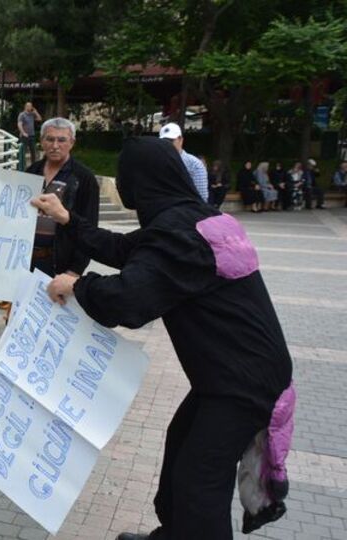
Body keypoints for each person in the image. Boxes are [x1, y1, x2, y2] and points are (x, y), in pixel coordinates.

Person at [33, 137, 293, 540]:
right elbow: (125, 249)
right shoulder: (195, 219)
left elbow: (129, 301)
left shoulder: (179, 234)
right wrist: (70, 219)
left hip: (241, 385)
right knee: (181, 448)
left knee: (198, 482)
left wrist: (78, 283)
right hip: (234, 376)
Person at [25, 117, 100, 277]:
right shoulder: (31, 172)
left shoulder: (84, 178)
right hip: (25, 260)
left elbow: (90, 227)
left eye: (62, 140)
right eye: (50, 139)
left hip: (60, 264)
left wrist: (75, 270)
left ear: (72, 142)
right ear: (41, 141)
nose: (55, 146)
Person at [158, 123, 207, 201]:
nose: (167, 144)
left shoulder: (195, 164)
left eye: (171, 141)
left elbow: (201, 197)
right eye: (164, 141)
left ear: (180, 140)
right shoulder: (157, 162)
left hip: (188, 210)